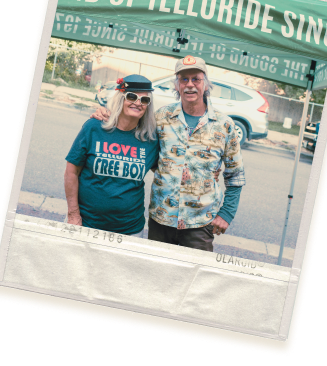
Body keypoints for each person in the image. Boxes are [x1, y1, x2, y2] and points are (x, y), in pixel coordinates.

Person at [92, 55, 246, 252]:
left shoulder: (224, 125)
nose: (190, 85)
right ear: (177, 85)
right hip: (161, 220)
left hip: (199, 224)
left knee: (194, 279)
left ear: (206, 85)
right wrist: (105, 113)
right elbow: (128, 125)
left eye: (196, 79)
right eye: (184, 79)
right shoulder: (161, 118)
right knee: (155, 277)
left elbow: (236, 176)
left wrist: (226, 214)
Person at [64, 74, 159, 237]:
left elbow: (167, 170)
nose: (138, 103)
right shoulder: (94, 127)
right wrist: (73, 214)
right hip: (87, 223)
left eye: (144, 100)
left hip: (130, 229)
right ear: (121, 98)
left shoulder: (150, 139)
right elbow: (71, 172)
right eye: (132, 96)